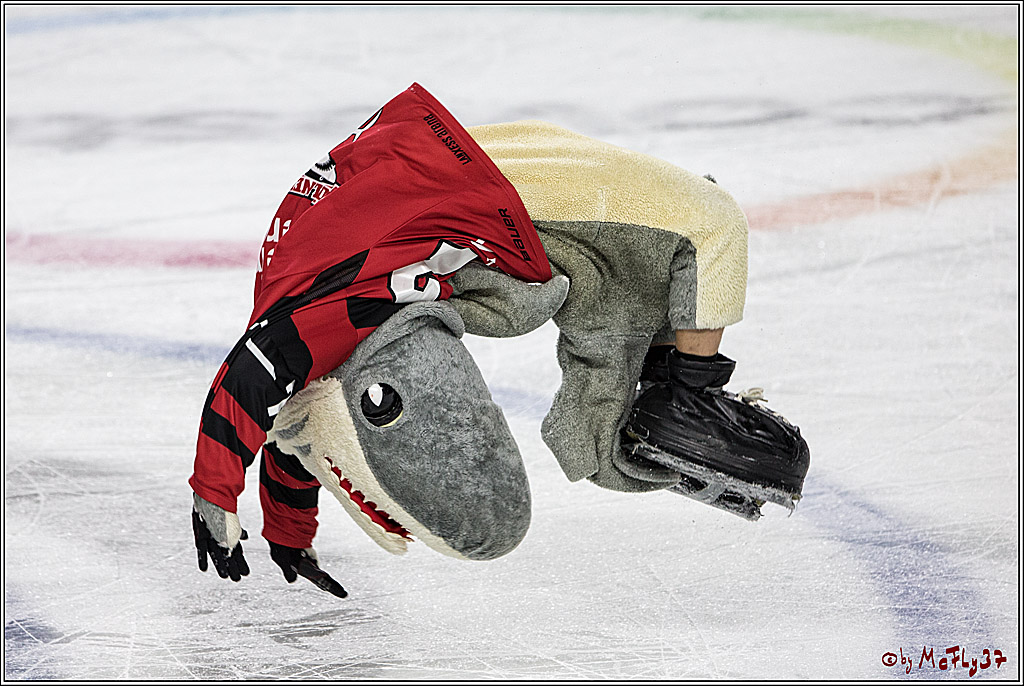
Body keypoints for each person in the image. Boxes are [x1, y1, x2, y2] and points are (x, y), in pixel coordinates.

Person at [189, 83, 809, 594]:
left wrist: (235, 502)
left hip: (468, 185)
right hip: (464, 180)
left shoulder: (327, 325)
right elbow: (282, 409)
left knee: (702, 222)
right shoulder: (327, 327)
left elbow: (270, 388)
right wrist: (271, 524)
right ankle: (680, 392)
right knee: (708, 221)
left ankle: (680, 389)